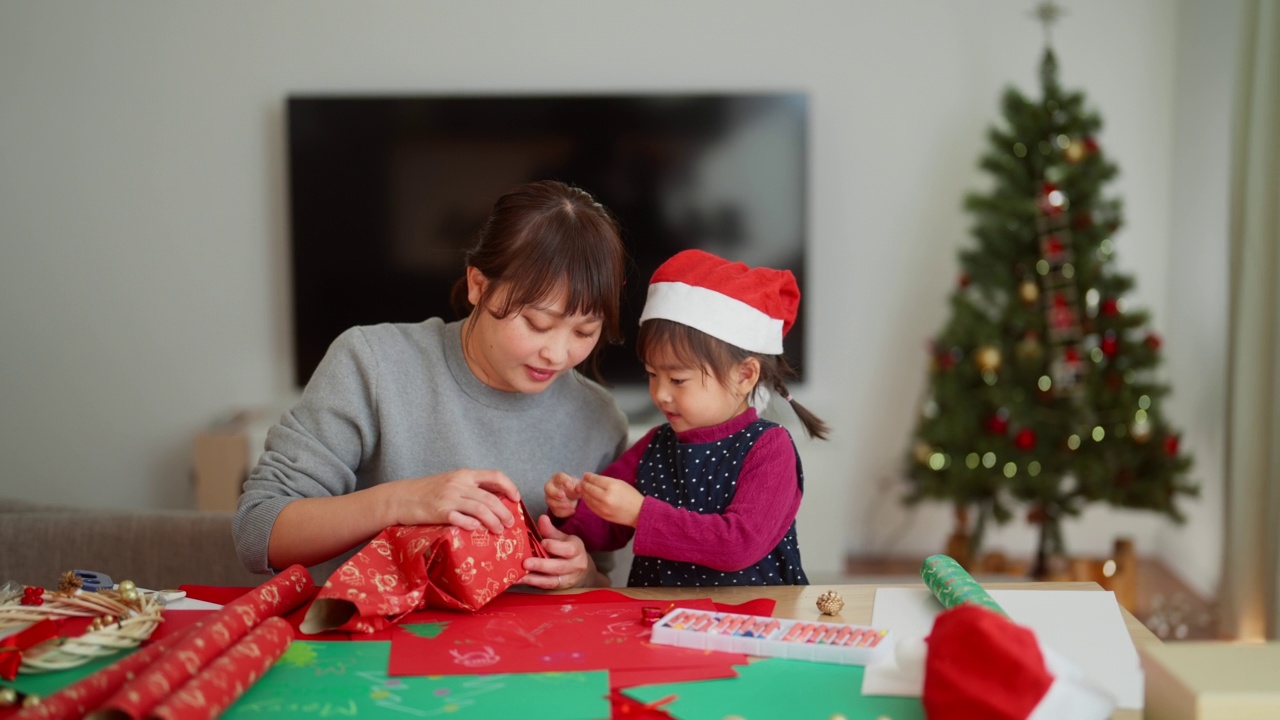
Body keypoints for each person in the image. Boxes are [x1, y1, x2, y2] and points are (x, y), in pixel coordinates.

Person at [234, 180, 629, 590]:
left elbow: (601, 582)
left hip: (532, 649)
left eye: (585, 331)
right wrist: (403, 501)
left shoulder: (598, 419)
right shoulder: (372, 363)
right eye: (537, 324)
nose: (558, 354)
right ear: (478, 284)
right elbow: (258, 531)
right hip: (376, 643)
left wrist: (583, 575)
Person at [545, 249, 829, 586]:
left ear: (744, 376)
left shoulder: (769, 448)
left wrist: (639, 513)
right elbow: (601, 533)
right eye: (652, 374)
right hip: (659, 621)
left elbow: (738, 545)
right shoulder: (653, 446)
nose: (661, 393)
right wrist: (573, 509)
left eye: (678, 380)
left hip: (755, 621)